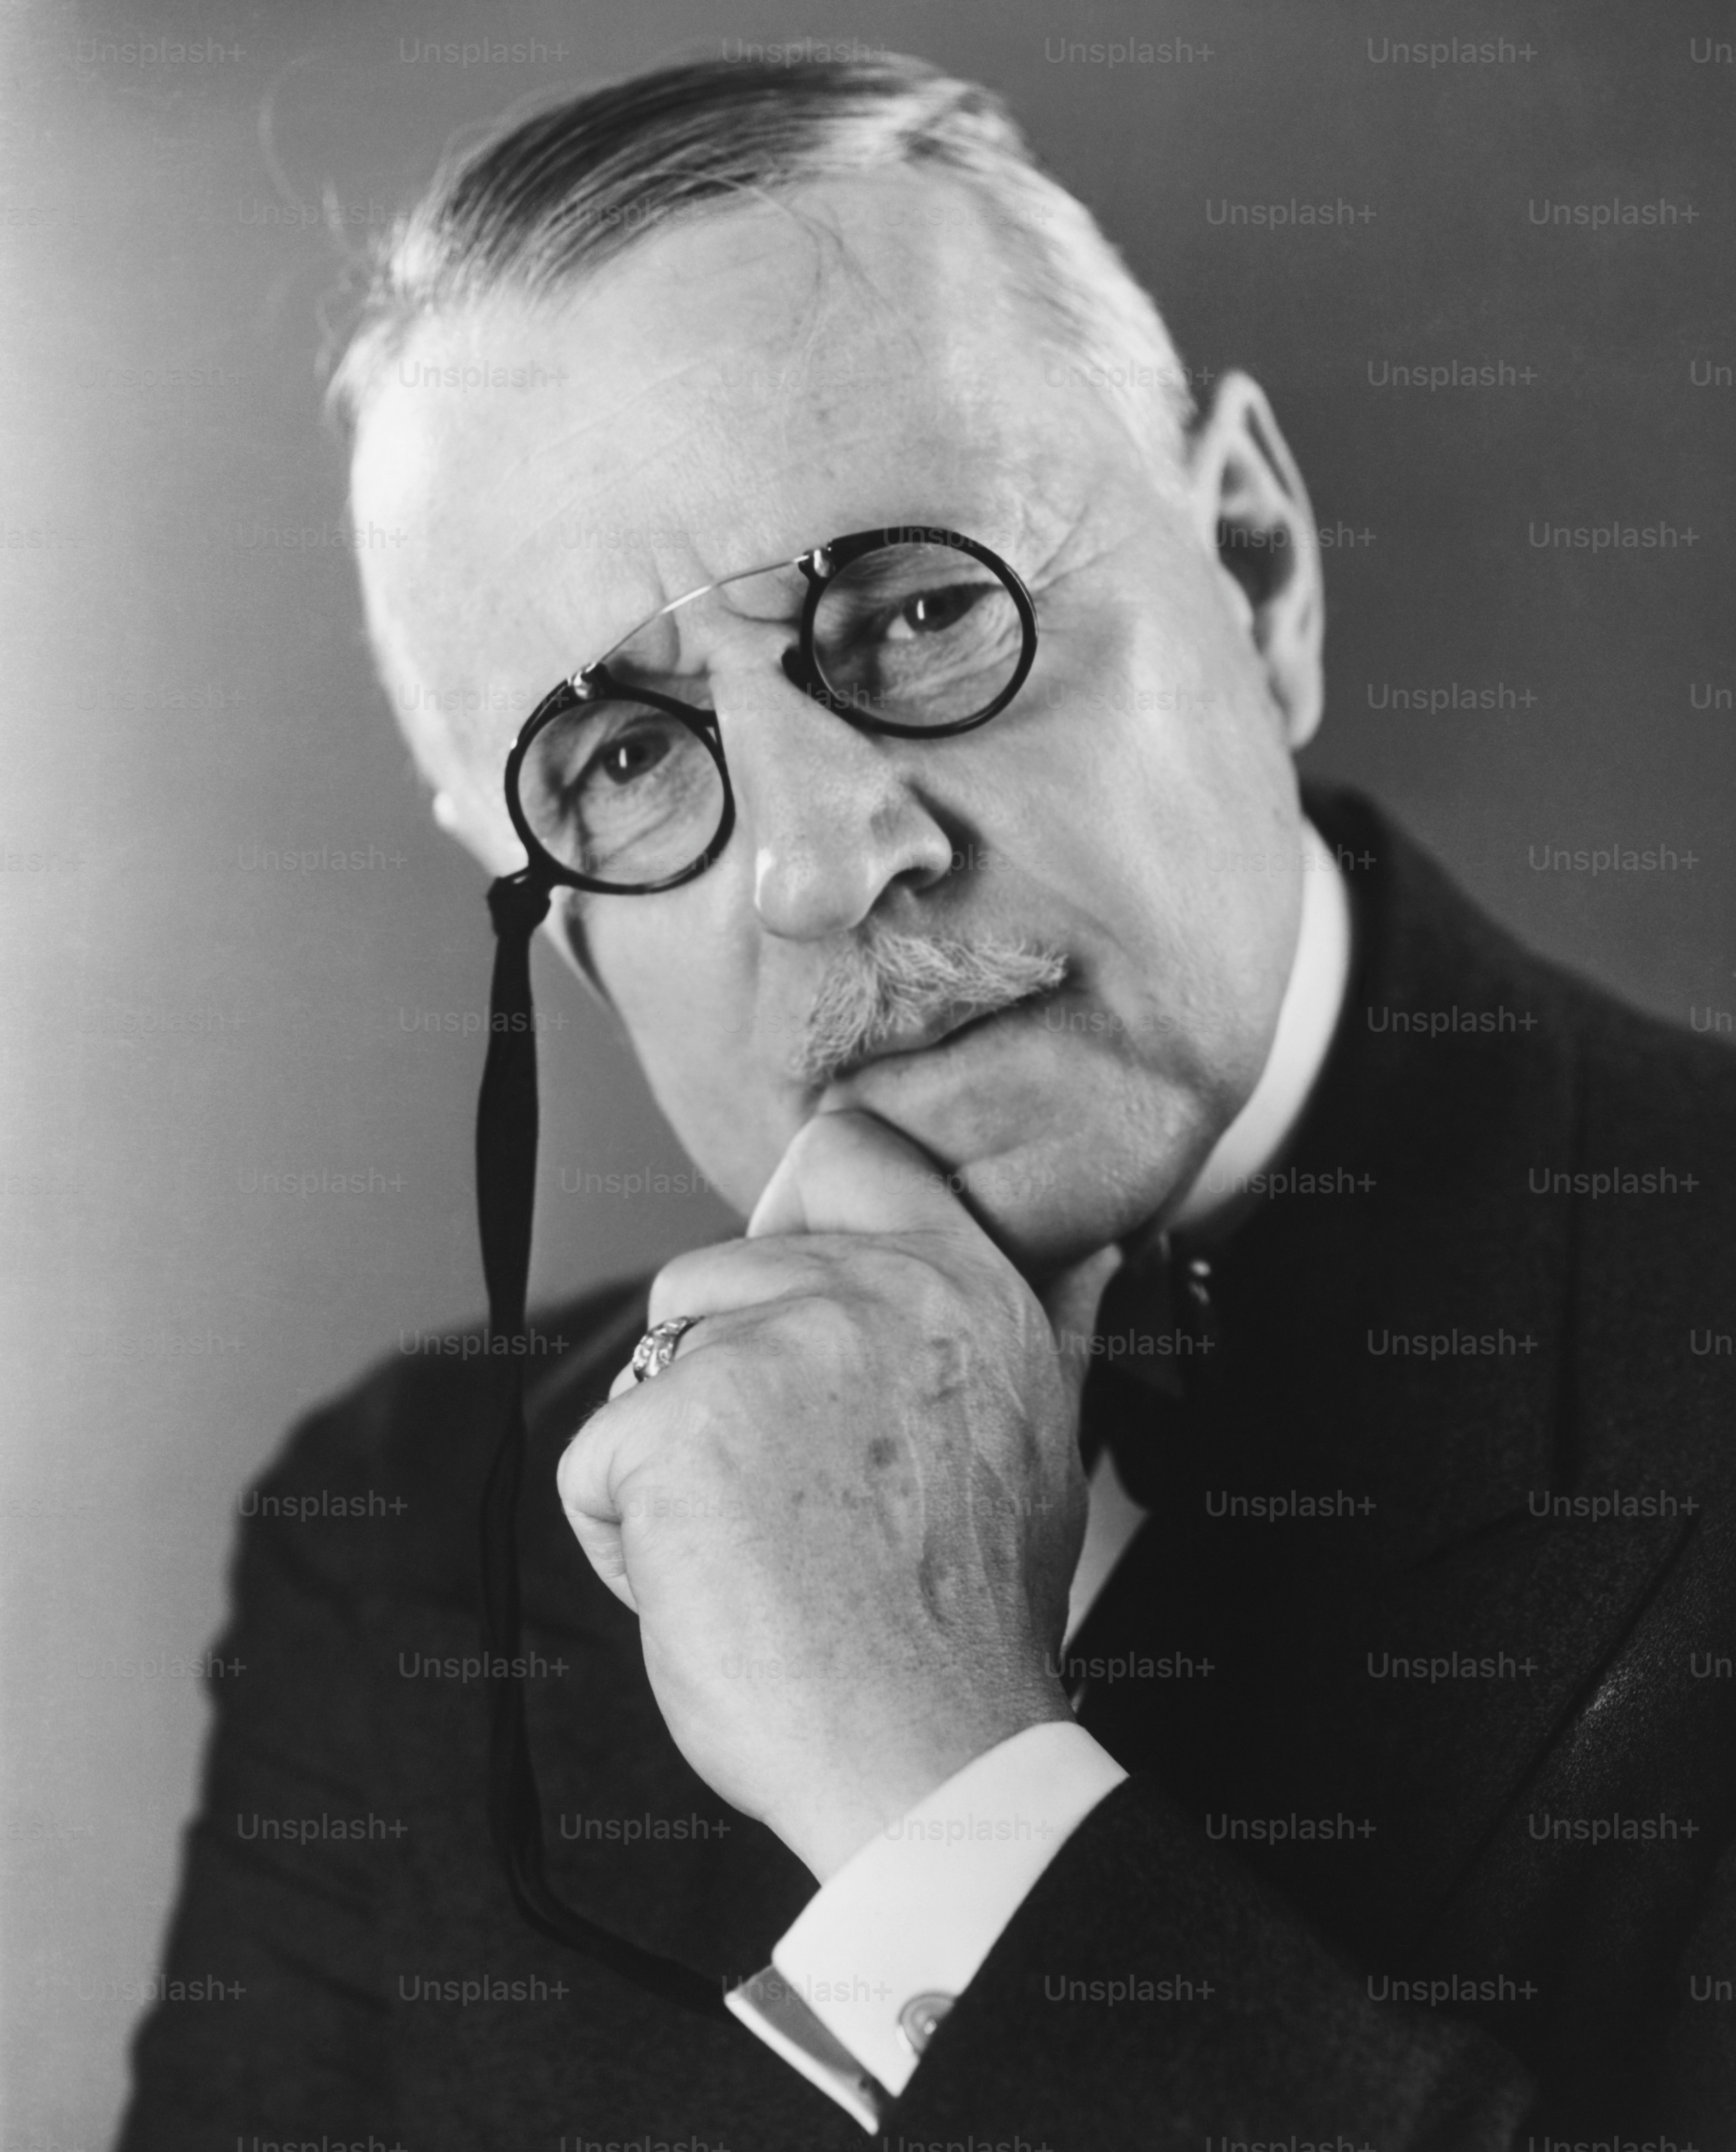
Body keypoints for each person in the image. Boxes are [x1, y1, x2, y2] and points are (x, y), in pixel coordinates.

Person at [119, 54, 1736, 2151]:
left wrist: (940, 1802)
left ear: (1252, 573)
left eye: (912, 612)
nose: (814, 858)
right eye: (620, 758)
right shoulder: (415, 1564)